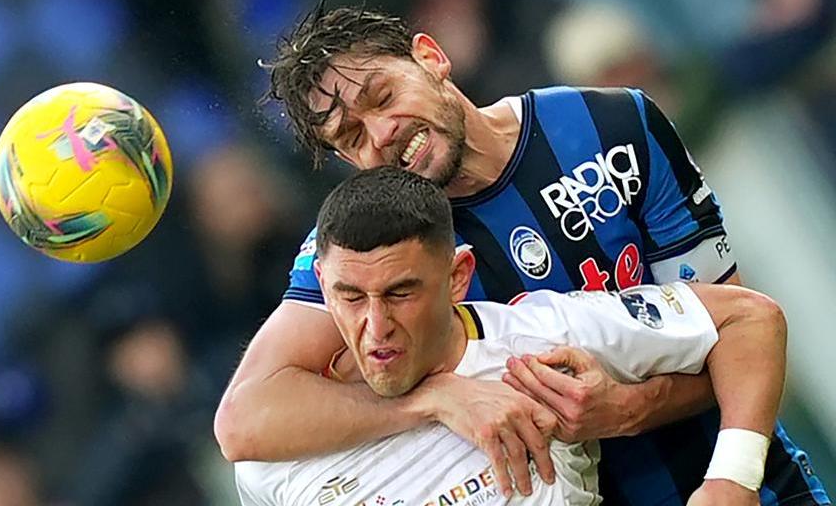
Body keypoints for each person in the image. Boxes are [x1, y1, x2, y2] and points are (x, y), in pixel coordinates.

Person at [215, 6, 829, 505]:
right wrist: (435, 398)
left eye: (382, 96)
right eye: (352, 137)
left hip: (745, 487)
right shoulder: (369, 250)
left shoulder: (611, 124)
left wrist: (634, 411)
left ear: (430, 58)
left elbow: (742, 332)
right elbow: (244, 419)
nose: (381, 133)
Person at [237, 167, 788, 505]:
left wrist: (732, 478)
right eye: (350, 297)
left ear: (457, 277)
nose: (375, 327)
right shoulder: (280, 447)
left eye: (401, 293)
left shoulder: (542, 339)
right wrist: (434, 400)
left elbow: (749, 319)